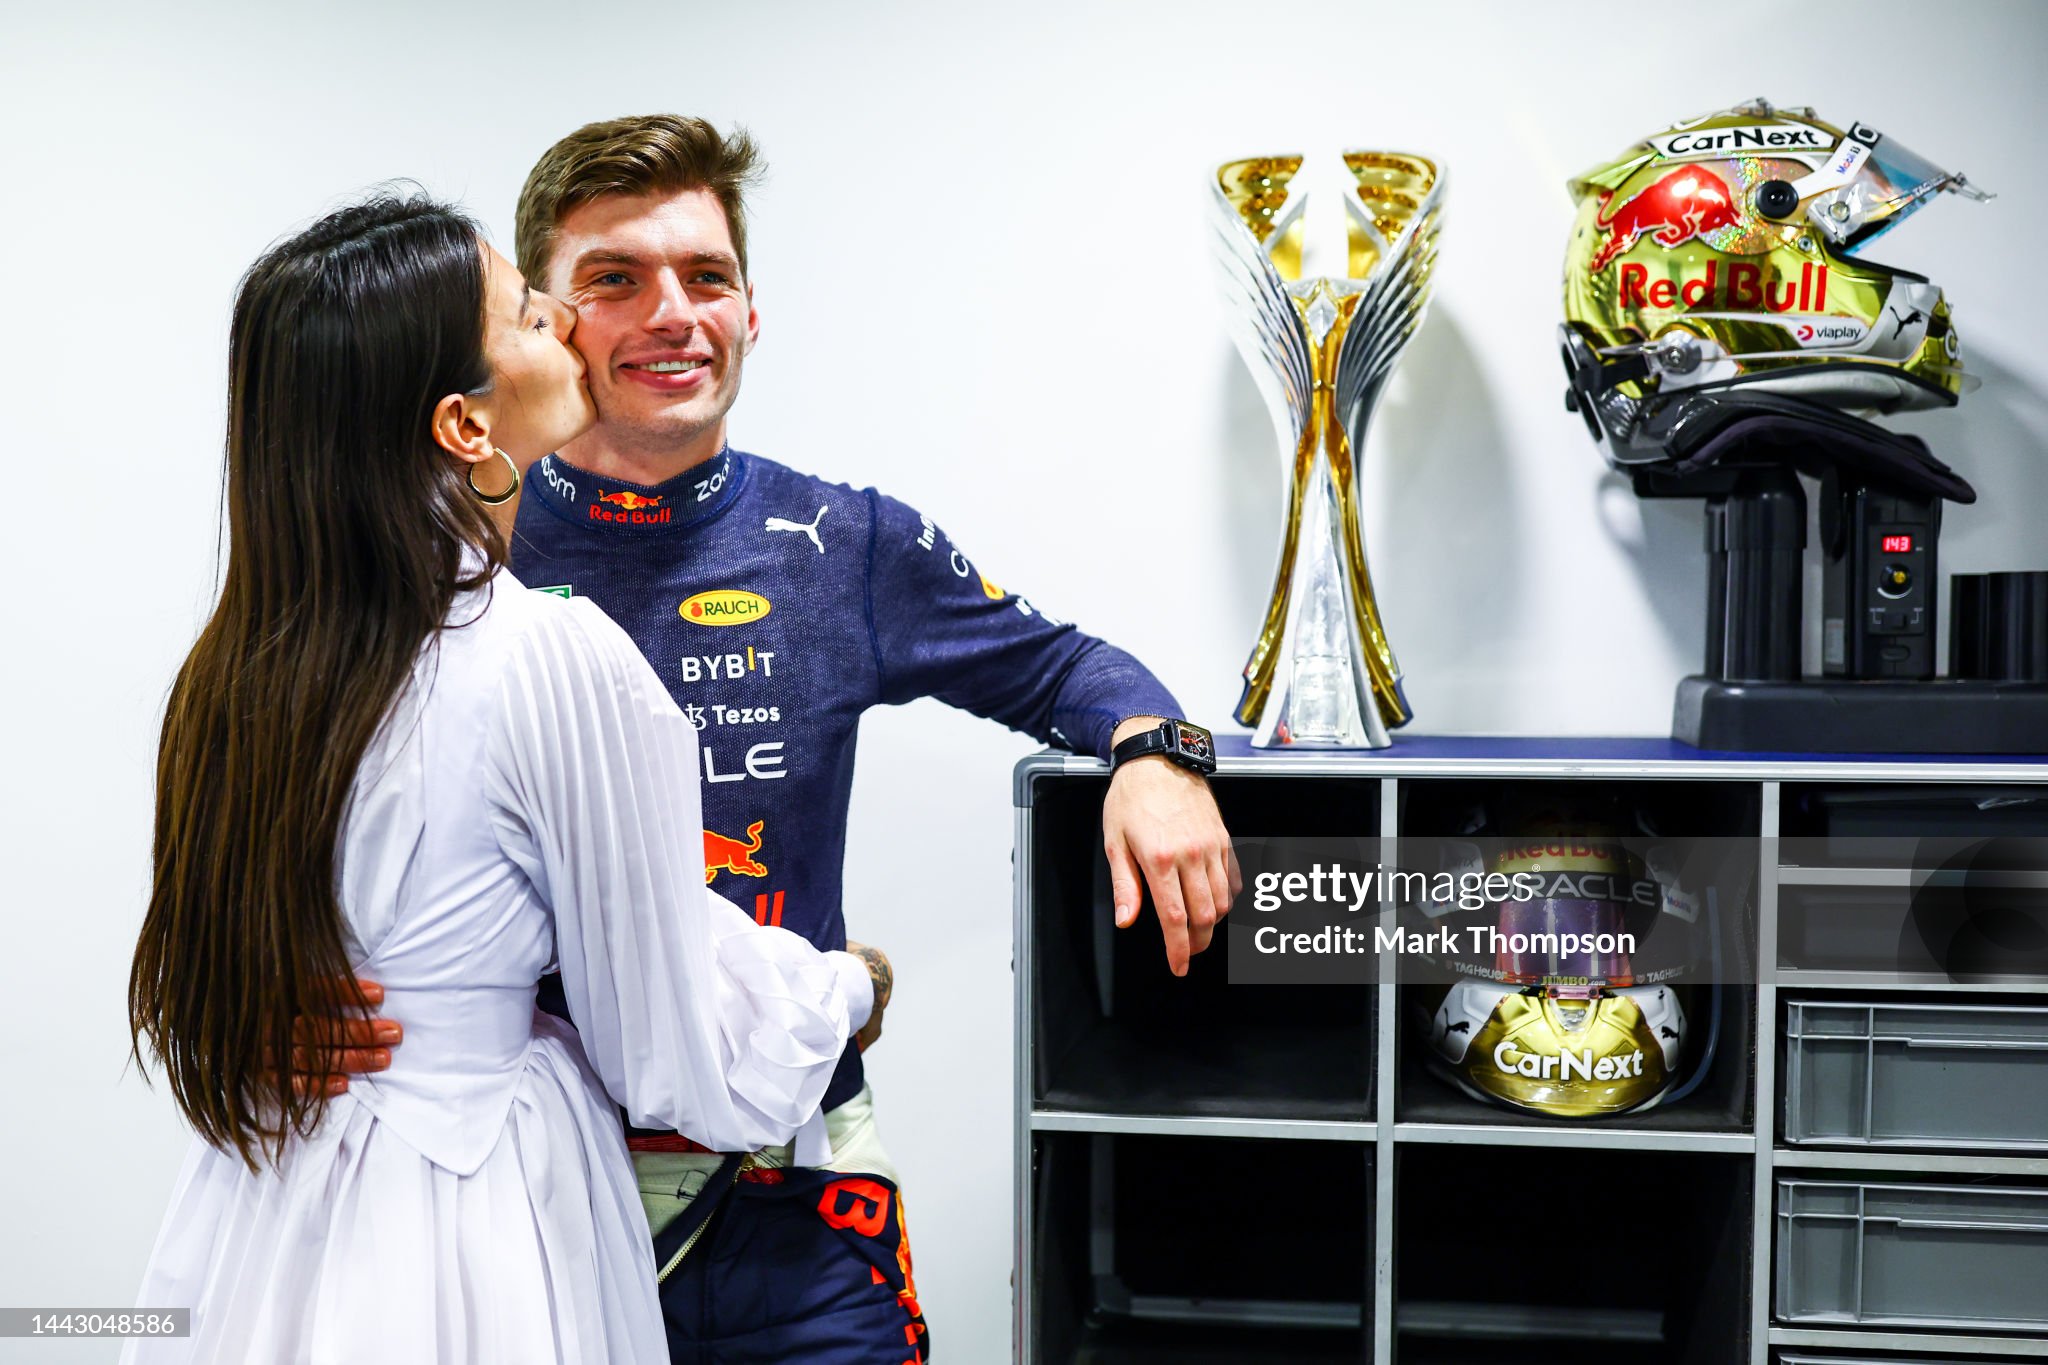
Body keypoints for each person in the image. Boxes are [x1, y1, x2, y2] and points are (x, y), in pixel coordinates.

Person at [316, 115, 1242, 1363]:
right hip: (521, 1195)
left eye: (706, 277)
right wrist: (266, 990)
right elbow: (287, 797)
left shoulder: (845, 542)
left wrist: (1157, 754)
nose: (670, 314)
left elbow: (1070, 666)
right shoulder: (438, 547)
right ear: (537, 320)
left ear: (753, 313)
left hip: (794, 1196)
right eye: (613, 279)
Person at [124, 192, 887, 1364]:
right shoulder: (546, 655)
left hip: (264, 1217)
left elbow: (206, 975)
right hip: (476, 1215)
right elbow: (667, 1050)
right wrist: (841, 991)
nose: (578, 333)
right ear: (463, 428)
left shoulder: (231, 670)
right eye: (539, 317)